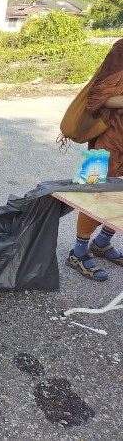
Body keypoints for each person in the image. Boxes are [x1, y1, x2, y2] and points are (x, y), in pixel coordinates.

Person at [65, 39, 123, 281]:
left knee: (121, 197)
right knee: (95, 192)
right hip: (110, 139)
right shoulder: (121, 50)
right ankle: (78, 252)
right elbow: (97, 98)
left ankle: (103, 242)